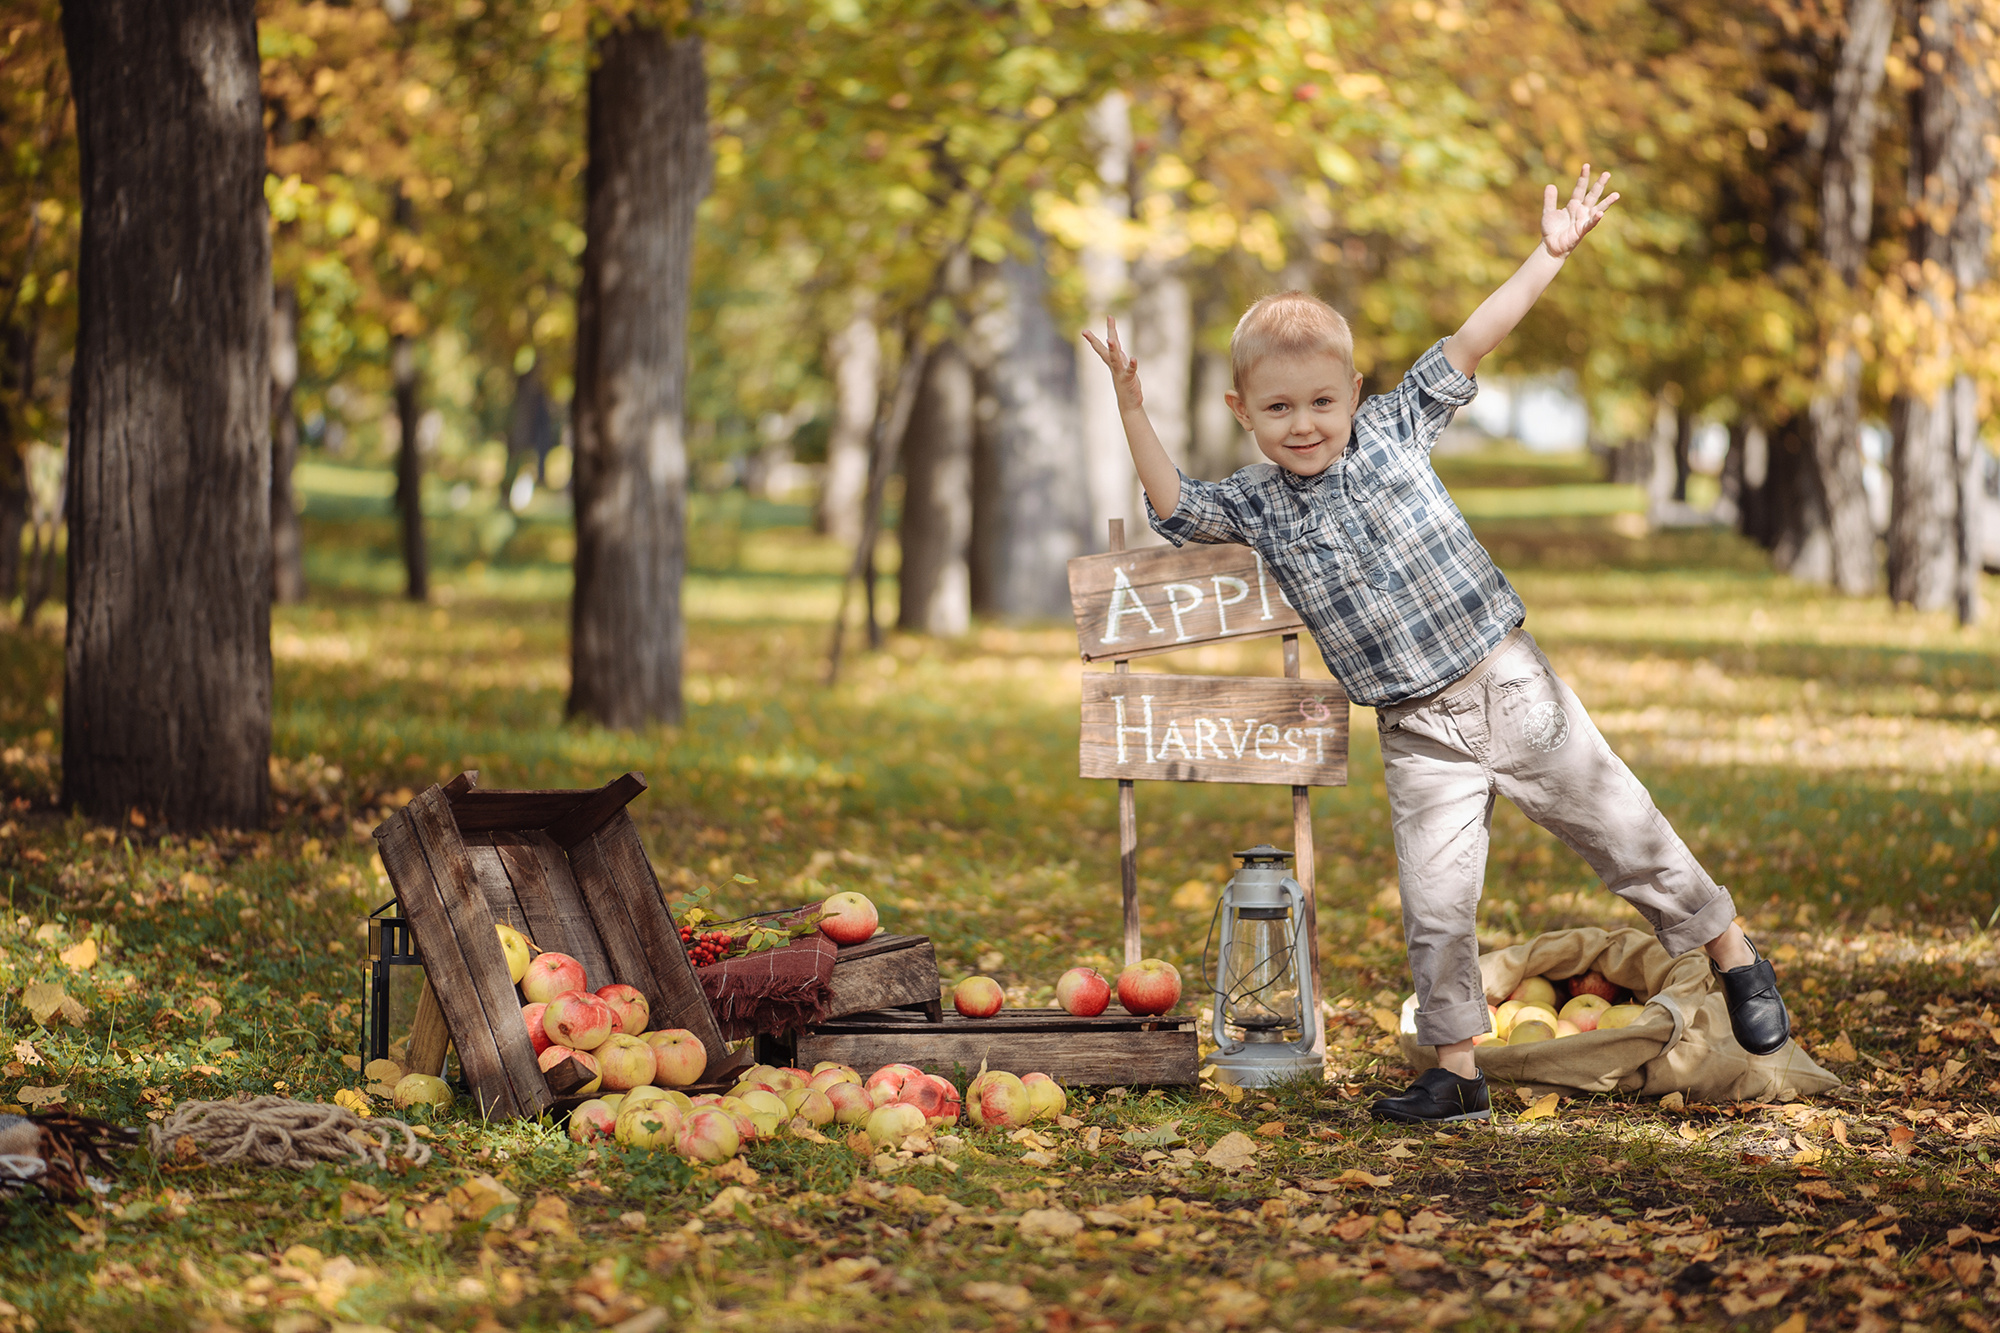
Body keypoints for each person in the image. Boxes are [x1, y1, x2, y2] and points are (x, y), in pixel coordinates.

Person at [1084, 166, 1789, 1125]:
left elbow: (1473, 337)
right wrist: (1131, 403)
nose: (1305, 424)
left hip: (1505, 684)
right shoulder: (1253, 501)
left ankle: (1730, 950)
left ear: (1354, 393)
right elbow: (1174, 510)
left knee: (1622, 831)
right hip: (1414, 728)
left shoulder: (1394, 430)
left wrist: (1548, 256)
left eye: (1322, 402)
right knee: (1436, 907)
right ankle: (1455, 1070)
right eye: (1280, 409)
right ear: (1243, 413)